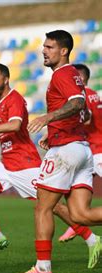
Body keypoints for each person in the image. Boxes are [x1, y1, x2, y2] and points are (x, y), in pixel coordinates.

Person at [0, 63, 100, 268]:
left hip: (24, 164)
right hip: (7, 163)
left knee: (52, 207)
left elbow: (15, 125)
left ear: (6, 79)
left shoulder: (15, 99)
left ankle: (91, 238)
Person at [13, 30, 102, 273]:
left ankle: (42, 269)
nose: (44, 50)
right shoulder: (73, 74)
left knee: (42, 208)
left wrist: (47, 118)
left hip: (66, 150)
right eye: (44, 46)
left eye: (50, 47)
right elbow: (77, 109)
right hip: (82, 149)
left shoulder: (63, 74)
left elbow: (77, 104)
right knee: (80, 215)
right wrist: (51, 134)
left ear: (63, 51)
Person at [58, 64, 102, 242]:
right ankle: (75, 224)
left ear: (80, 78)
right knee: (72, 189)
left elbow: (87, 115)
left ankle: (76, 224)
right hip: (91, 149)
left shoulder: (83, 95)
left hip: (97, 150)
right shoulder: (93, 93)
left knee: (68, 188)